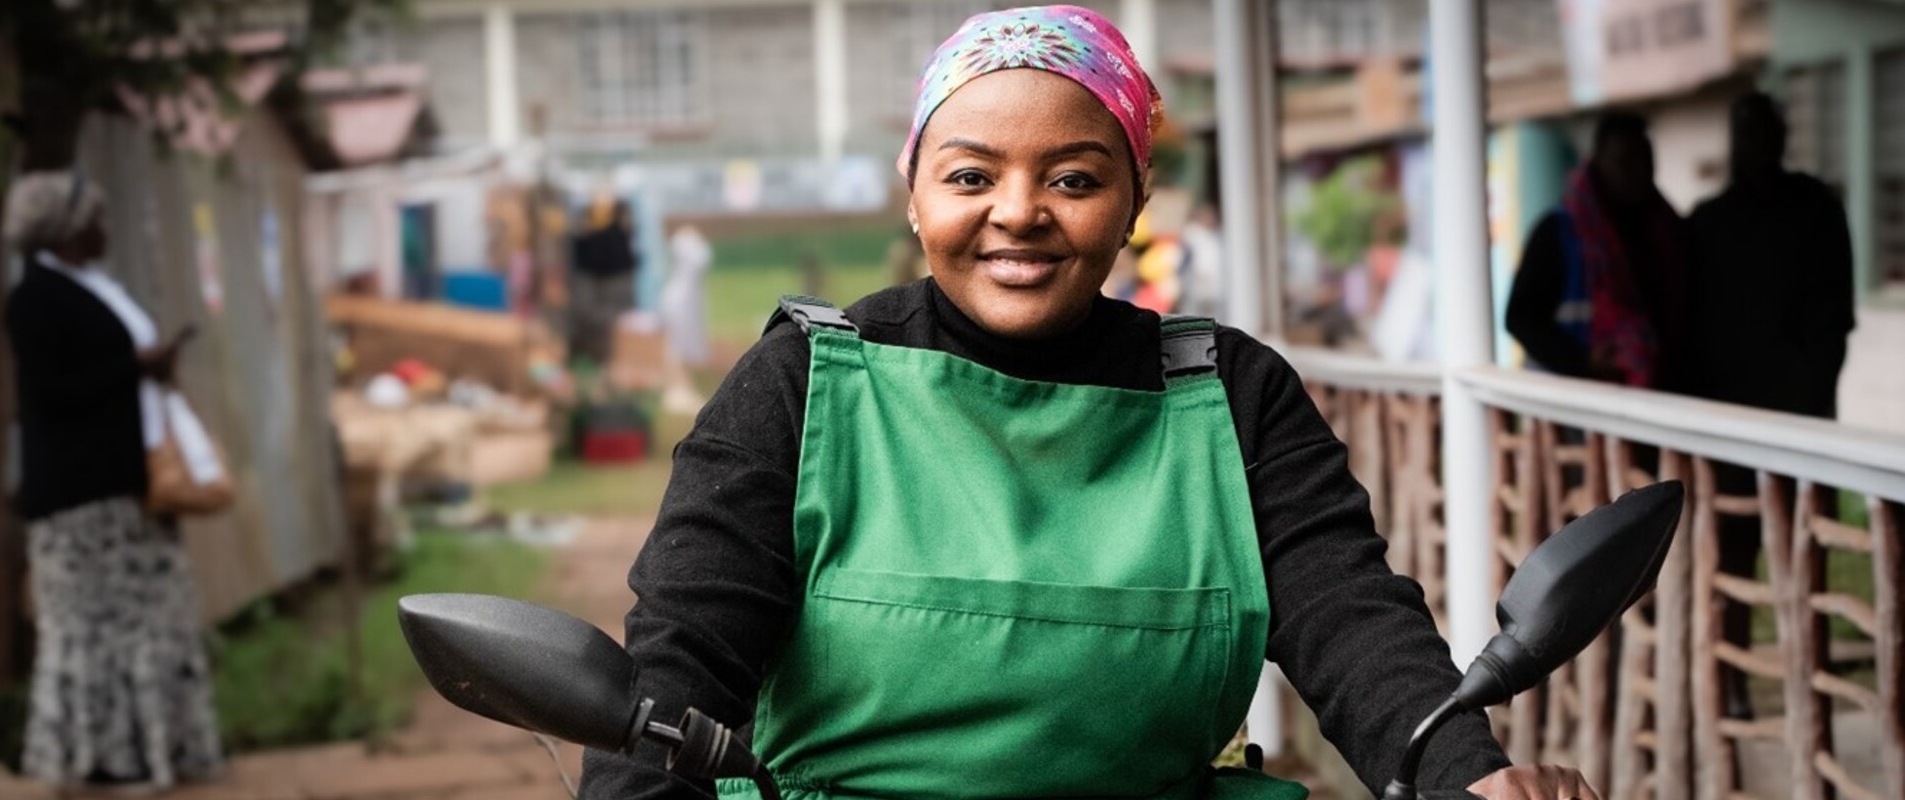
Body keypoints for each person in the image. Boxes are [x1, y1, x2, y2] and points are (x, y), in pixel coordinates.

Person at [581, 7, 1596, 799]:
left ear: (1134, 198)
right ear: (916, 192)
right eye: (971, 173)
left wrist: (1465, 769)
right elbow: (680, 659)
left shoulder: (1230, 393)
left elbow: (1351, 616)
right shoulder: (801, 382)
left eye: (1072, 176)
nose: (1017, 210)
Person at [2, 171, 223, 791]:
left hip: (131, 487)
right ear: (68, 228)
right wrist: (131, 367)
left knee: (152, 625)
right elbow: (48, 396)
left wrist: (148, 370)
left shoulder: (96, 287)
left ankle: (159, 751)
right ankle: (98, 758)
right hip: (80, 498)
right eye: (96, 218)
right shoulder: (36, 299)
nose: (106, 228)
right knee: (91, 631)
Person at [1684, 92, 1857, 719]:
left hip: (1799, 418)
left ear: (1782, 137)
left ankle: (1808, 681)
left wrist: (1809, 391)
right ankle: (1731, 690)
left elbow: (1835, 317)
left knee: (1802, 556)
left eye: (1764, 130)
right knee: (1729, 556)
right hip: (1726, 423)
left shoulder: (1815, 208)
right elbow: (1689, 323)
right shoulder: (1709, 221)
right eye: (1744, 131)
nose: (1754, 142)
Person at [1505, 114, 1690, 389]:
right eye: (1625, 161)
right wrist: (1582, 361)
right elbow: (1520, 318)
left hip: (1652, 396)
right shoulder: (1559, 231)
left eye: (1646, 160)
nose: (1639, 172)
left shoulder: (1668, 229)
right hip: (1570, 406)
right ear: (1599, 161)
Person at [568, 187, 638, 365]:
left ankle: (609, 359)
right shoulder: (596, 227)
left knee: (610, 323)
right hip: (599, 280)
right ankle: (604, 359)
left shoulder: (611, 227)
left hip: (608, 279)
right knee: (602, 323)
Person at [662, 223, 713, 414]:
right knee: (676, 346)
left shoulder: (689, 246)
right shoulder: (686, 246)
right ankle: (676, 389)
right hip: (680, 302)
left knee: (684, 346)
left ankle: (683, 387)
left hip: (687, 301)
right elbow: (700, 259)